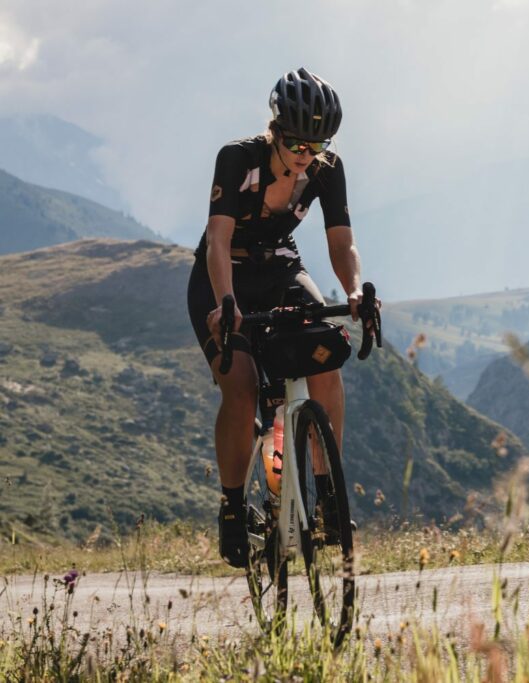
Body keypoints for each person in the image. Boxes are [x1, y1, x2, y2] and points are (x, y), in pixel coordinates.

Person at [186, 67, 363, 567]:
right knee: (240, 389)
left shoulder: (327, 168)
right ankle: (231, 506)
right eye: (299, 145)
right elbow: (218, 240)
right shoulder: (237, 158)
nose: (308, 155)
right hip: (222, 276)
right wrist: (227, 304)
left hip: (281, 268)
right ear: (277, 132)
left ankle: (328, 495)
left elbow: (340, 239)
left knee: (324, 357)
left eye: (318, 144)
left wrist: (352, 290)